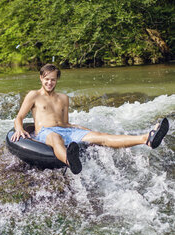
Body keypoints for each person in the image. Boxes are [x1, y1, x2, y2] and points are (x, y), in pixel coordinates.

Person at [11, 64, 169, 174]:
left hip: (66, 130)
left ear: (57, 79)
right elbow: (19, 117)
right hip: (46, 132)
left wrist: (84, 130)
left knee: (101, 137)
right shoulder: (34, 95)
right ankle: (70, 160)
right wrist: (19, 128)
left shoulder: (63, 98)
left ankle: (146, 139)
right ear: (41, 78)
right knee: (55, 138)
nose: (49, 82)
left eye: (53, 79)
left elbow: (65, 123)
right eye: (47, 79)